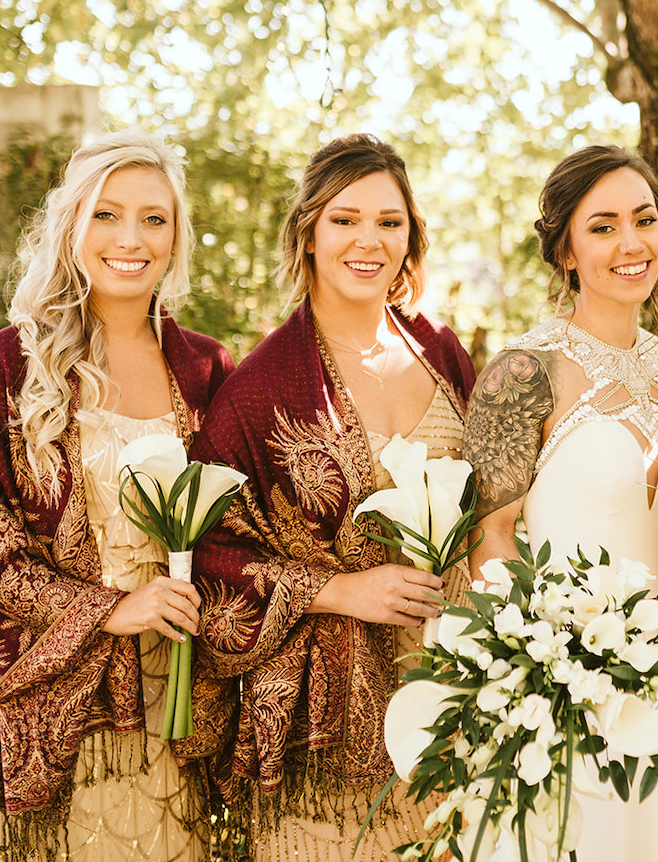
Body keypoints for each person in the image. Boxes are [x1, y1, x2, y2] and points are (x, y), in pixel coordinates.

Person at [0, 132, 234, 861]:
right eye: (106, 214)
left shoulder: (206, 368)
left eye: (154, 219)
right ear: (72, 226)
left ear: (177, 236)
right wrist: (111, 610)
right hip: (58, 707)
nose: (131, 238)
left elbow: (242, 528)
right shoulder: (13, 363)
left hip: (176, 702)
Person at [185, 133, 475, 861]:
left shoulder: (440, 352)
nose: (367, 240)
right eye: (345, 219)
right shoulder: (260, 390)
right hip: (331, 724)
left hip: (458, 697)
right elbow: (208, 555)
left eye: (389, 221)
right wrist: (339, 592)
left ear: (410, 239)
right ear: (308, 233)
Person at [464, 145, 658, 862]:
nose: (631, 244)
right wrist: (549, 667)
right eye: (602, 228)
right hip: (558, 681)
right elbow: (489, 540)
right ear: (565, 250)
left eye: (644, 220)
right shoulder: (520, 372)